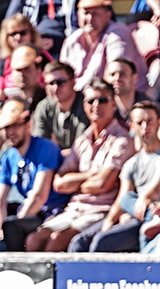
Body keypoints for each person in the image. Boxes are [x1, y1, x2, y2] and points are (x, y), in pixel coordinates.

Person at [25, 78, 136, 251]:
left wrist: (77, 183)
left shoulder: (122, 140)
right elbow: (59, 183)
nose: (96, 105)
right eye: (91, 100)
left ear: (113, 104)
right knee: (34, 239)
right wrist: (93, 175)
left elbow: (102, 184)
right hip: (74, 209)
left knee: (57, 240)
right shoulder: (82, 141)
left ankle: (53, 279)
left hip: (100, 211)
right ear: (84, 105)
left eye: (103, 100)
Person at [68, 100, 160, 252]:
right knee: (79, 242)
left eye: (149, 121)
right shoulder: (132, 163)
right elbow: (122, 198)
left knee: (101, 242)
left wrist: (146, 200)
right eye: (140, 122)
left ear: (158, 122)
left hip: (153, 211)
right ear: (132, 126)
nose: (145, 127)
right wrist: (110, 222)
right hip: (137, 214)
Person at [0, 98, 69, 251]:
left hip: (54, 210)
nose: (10, 133)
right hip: (32, 212)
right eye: (6, 128)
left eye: (15, 126)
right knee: (4, 224)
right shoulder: (9, 157)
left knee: (12, 226)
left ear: (27, 124)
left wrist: (16, 224)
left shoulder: (45, 147)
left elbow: (39, 196)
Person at [0, 44, 47, 184]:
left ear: (38, 69)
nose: (22, 74)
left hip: (41, 171)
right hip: (12, 171)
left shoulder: (49, 101)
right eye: (17, 70)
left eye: (27, 69)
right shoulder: (10, 105)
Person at [59, 0, 148, 93]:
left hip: (126, 99)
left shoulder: (118, 34)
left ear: (108, 15)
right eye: (86, 13)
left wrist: (73, 90)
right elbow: (62, 76)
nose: (90, 18)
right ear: (78, 15)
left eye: (96, 13)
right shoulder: (72, 40)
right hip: (86, 98)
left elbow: (112, 76)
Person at [31, 60, 90, 155]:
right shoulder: (44, 107)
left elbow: (81, 148)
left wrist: (53, 155)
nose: (55, 87)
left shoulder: (87, 104)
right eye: (50, 83)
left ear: (73, 82)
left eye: (60, 82)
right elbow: (39, 143)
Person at [4, 0, 79, 57]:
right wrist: (36, 40)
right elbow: (10, 21)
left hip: (66, 41)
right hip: (33, 41)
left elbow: (78, 22)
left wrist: (69, 41)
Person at [103, 58, 150, 129]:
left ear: (135, 78)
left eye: (123, 74)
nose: (117, 78)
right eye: (112, 74)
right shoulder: (101, 106)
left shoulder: (150, 109)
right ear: (105, 79)